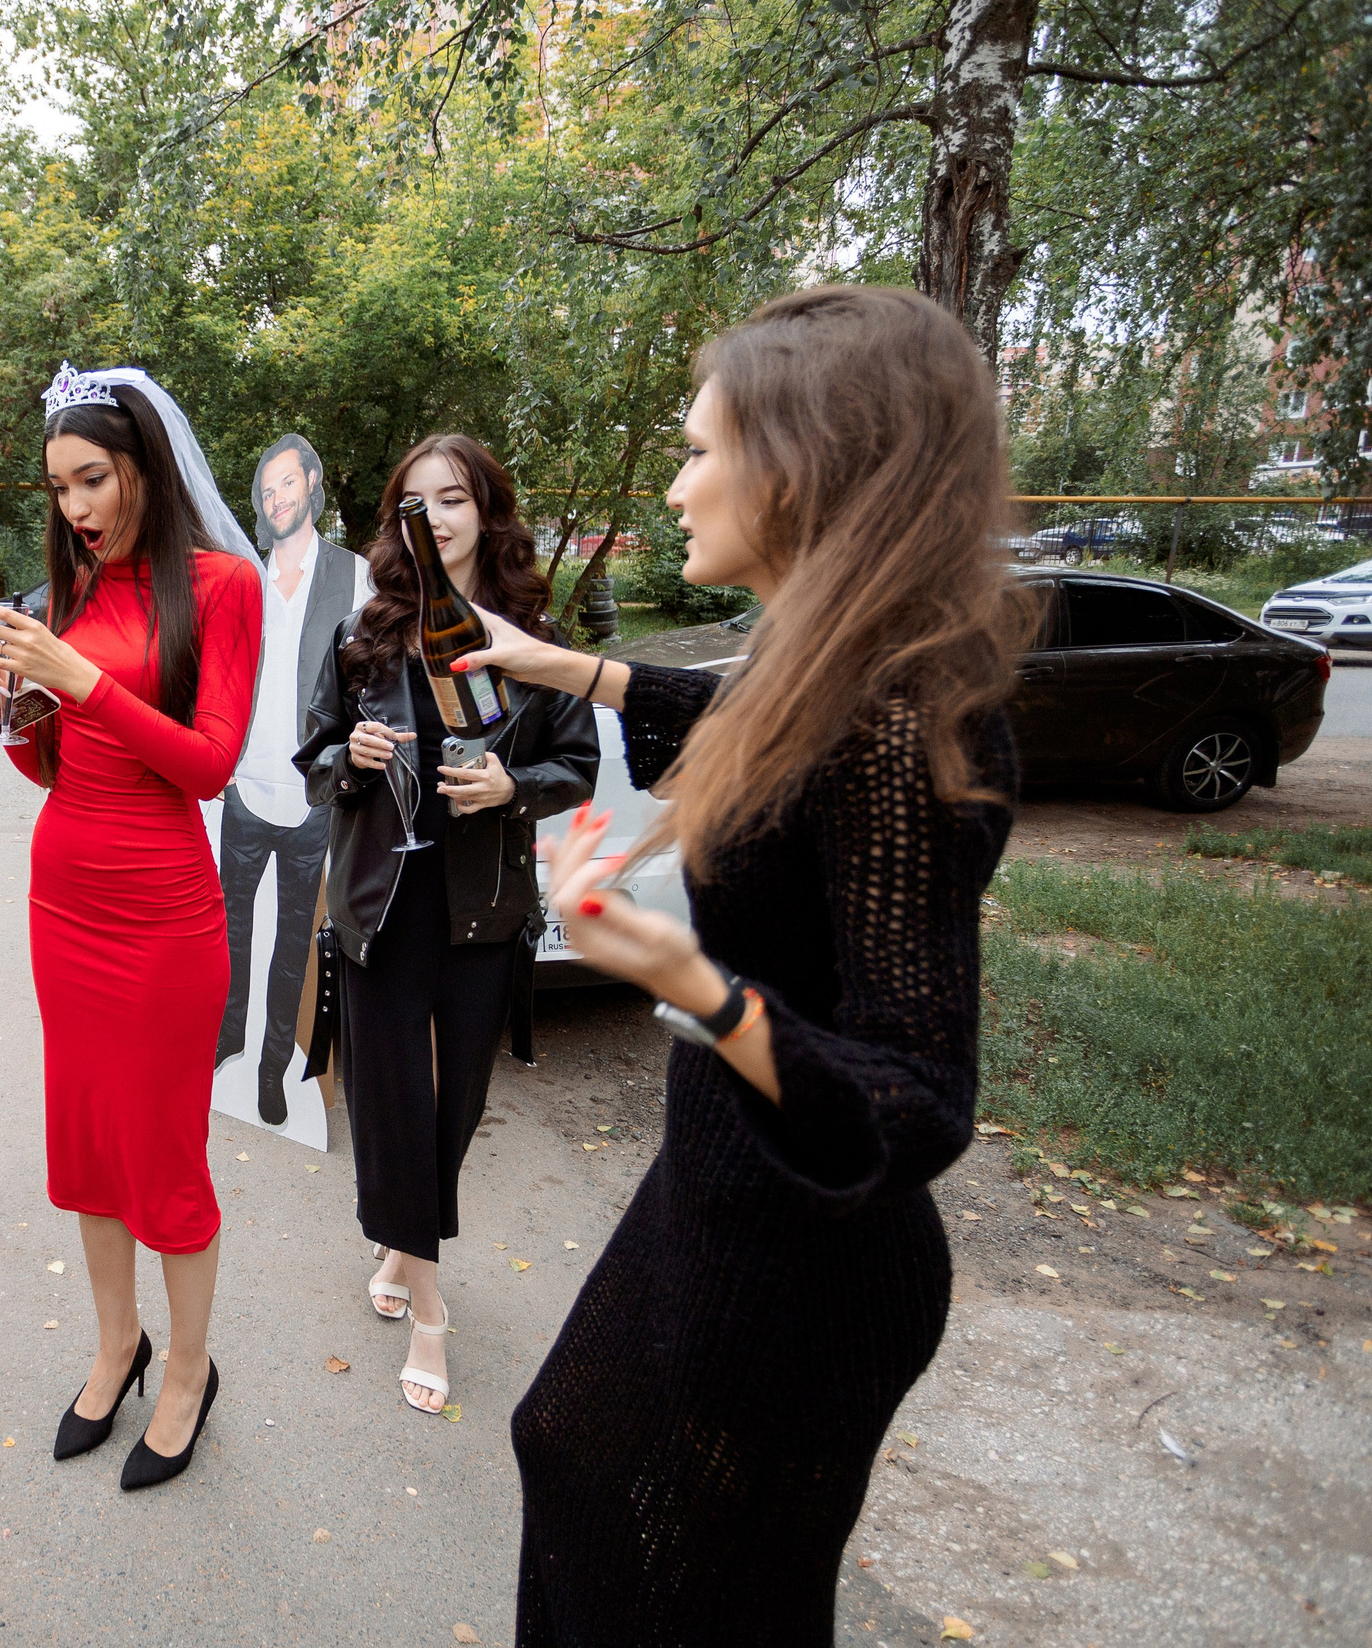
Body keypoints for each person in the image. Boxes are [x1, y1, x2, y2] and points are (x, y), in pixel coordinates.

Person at [459, 286, 1028, 1641]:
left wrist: (689, 978)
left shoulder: (901, 714)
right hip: (723, 1183)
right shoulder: (828, 667)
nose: (676, 481)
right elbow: (741, 719)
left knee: (697, 1594)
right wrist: (568, 666)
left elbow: (915, 1100)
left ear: (808, 465)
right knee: (570, 1444)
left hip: (808, 1261)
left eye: (704, 449)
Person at [0, 363, 263, 1491]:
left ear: (144, 464)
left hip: (164, 910)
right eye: (58, 488)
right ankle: (114, 1344)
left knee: (162, 1155)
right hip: (65, 897)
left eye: (92, 479)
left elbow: (208, 765)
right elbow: (58, 765)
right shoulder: (70, 594)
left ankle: (186, 1369)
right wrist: (15, 715)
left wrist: (76, 678)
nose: (75, 508)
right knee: (86, 1146)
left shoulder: (221, 584)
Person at [294, 434, 598, 1414]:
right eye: (414, 503)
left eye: (454, 497)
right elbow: (312, 763)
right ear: (397, 524)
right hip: (379, 908)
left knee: (454, 1107)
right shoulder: (362, 636)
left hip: (481, 913)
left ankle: (399, 1241)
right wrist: (352, 759)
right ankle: (428, 1307)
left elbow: (576, 768)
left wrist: (511, 788)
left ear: (487, 511)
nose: (436, 518)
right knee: (390, 1108)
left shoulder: (528, 641)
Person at [215, 432, 369, 1129]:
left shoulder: (354, 577)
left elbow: (372, 687)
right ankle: (226, 1045)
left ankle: (274, 1067)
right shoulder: (240, 574)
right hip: (242, 788)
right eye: (265, 489)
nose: (277, 498)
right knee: (232, 932)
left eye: (287, 483)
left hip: (313, 795)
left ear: (312, 481)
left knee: (292, 945)